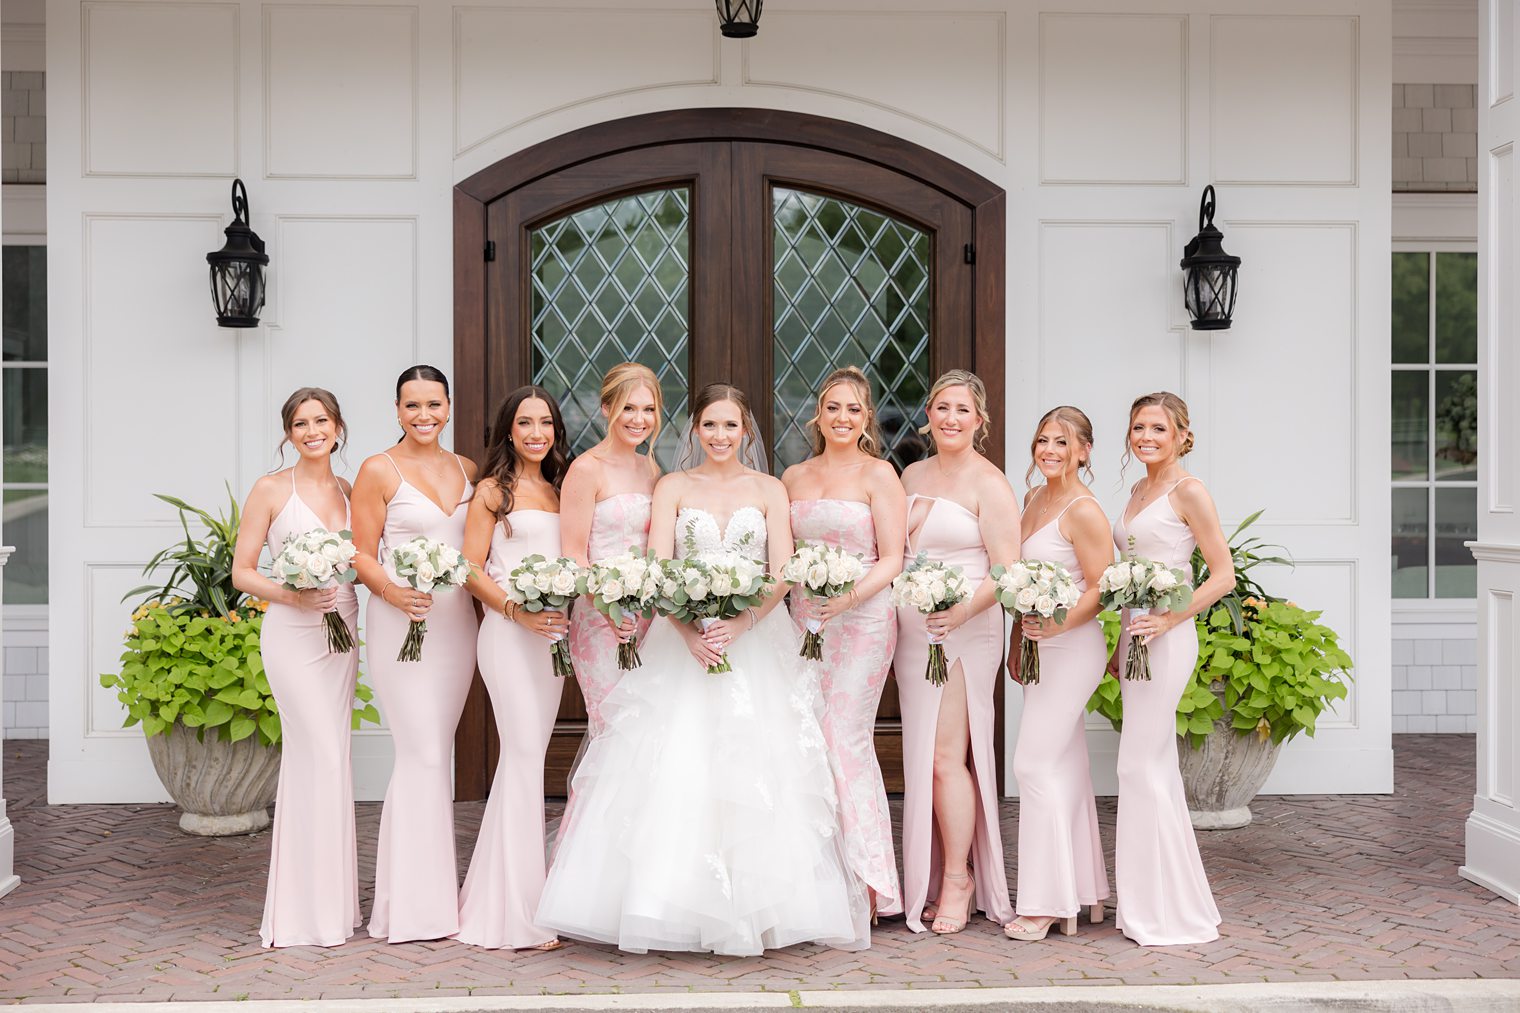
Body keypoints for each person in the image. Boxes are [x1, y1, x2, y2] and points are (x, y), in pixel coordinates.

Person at [537, 383, 870, 956]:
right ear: (694, 430)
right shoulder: (672, 486)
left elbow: (783, 570)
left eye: (730, 426)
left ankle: (764, 908)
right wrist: (689, 631)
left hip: (754, 642)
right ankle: (666, 906)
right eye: (709, 425)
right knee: (674, 766)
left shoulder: (769, 489)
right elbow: (660, 566)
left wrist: (741, 625)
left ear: (746, 431)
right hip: (681, 643)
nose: (719, 436)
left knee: (757, 767)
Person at [350, 365, 479, 943]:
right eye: (412, 406)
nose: (423, 416)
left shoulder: (468, 470)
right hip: (399, 622)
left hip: (455, 626)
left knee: (438, 753)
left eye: (433, 405)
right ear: (396, 411)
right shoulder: (379, 469)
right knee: (420, 752)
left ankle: (437, 900)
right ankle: (408, 907)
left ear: (448, 408)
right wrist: (394, 593)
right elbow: (361, 553)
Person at [231, 388, 360, 948]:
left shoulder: (351, 491)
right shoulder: (270, 488)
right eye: (301, 423)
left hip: (342, 635)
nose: (312, 431)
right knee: (321, 757)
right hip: (292, 633)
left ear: (338, 428)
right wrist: (294, 595)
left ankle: (332, 906)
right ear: (288, 433)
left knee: (332, 759)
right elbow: (242, 573)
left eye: (321, 420)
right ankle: (299, 912)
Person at [895, 369, 1018, 934]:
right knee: (924, 756)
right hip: (915, 630)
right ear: (928, 414)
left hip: (967, 628)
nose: (950, 418)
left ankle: (959, 878)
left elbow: (1007, 571)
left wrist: (962, 610)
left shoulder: (989, 483)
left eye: (962, 410)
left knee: (948, 756)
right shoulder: (912, 473)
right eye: (941, 407)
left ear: (980, 420)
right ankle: (931, 870)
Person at [781, 366, 905, 923]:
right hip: (805, 622)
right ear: (818, 413)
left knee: (844, 735)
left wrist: (849, 598)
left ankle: (869, 881)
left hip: (863, 619)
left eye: (854, 409)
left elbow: (893, 558)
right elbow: (781, 559)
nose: (843, 418)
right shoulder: (793, 477)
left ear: (867, 418)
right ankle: (819, 877)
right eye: (833, 407)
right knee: (807, 736)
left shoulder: (880, 475)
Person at [1110, 391, 1231, 946]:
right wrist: (1121, 639)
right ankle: (1151, 900)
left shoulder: (1190, 491)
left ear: (1183, 433)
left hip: (1168, 635)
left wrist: (1168, 619)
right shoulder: (1137, 490)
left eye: (1158, 428)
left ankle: (1166, 909)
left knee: (1139, 764)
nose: (1147, 437)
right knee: (1149, 765)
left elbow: (1222, 576)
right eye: (1139, 427)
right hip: (1135, 635)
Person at [455, 386, 570, 950]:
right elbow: (468, 568)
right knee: (523, 758)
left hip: (551, 642)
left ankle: (510, 896)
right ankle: (519, 915)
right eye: (524, 423)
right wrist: (515, 610)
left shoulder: (560, 488)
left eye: (545, 422)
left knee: (528, 763)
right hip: (507, 634)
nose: (535, 433)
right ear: (507, 430)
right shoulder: (491, 491)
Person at [1002, 407, 1111, 942]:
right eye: (1042, 440)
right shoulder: (1033, 499)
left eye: (1062, 442)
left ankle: (1045, 902)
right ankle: (1083, 893)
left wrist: (1056, 621)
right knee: (1064, 764)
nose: (1048, 450)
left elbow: (1101, 587)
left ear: (1084, 451)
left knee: (1032, 764)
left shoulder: (1084, 510)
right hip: (1041, 648)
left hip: (1073, 648)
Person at [560, 363, 661, 741]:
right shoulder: (586, 469)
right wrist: (611, 609)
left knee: (646, 731)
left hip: (648, 621)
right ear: (606, 408)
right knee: (613, 729)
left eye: (648, 409)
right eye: (628, 408)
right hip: (600, 619)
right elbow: (573, 555)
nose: (639, 419)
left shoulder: (651, 469)